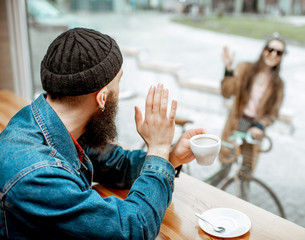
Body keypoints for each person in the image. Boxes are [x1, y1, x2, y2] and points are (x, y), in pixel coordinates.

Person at [0, 28, 205, 239]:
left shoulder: (55, 122)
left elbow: (118, 165)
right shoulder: (37, 174)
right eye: (119, 81)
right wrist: (158, 147)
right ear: (102, 98)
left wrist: (169, 156)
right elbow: (133, 229)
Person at [218, 35, 286, 178]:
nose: (273, 54)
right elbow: (226, 92)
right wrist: (229, 68)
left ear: (281, 57)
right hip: (236, 123)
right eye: (270, 49)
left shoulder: (278, 84)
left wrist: (260, 126)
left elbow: (273, 114)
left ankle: (242, 199)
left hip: (254, 130)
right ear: (263, 50)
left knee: (246, 174)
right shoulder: (245, 68)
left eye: (278, 52)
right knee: (224, 169)